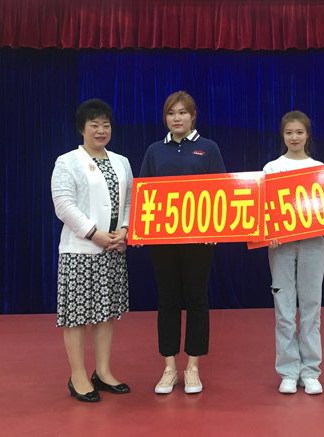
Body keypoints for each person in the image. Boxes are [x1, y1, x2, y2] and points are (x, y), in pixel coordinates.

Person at [139, 91, 226, 394]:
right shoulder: (154, 150)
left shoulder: (208, 148)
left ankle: (192, 368)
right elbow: (143, 194)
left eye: (182, 112)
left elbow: (220, 192)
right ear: (165, 118)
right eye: (171, 113)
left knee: (197, 300)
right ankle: (168, 368)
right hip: (162, 242)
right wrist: (141, 230)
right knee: (168, 301)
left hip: (199, 242)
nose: (177, 118)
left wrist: (214, 230)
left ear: (193, 116)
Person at [51, 98, 133, 402]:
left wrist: (124, 229)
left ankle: (103, 371)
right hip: (79, 251)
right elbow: (64, 205)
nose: (101, 130)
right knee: (76, 316)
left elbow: (130, 202)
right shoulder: (67, 161)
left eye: (106, 125)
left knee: (105, 313)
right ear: (82, 128)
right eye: (94, 124)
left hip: (113, 249)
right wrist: (93, 233)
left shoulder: (122, 162)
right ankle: (78, 376)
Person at [264, 110, 324, 395]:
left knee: (311, 308)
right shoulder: (272, 168)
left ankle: (310, 372)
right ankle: (288, 371)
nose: (294, 137)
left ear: (307, 135)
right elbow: (264, 209)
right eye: (289, 132)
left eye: (299, 132)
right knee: (284, 310)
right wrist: (268, 231)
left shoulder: (319, 168)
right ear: (282, 135)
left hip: (313, 244)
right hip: (280, 247)